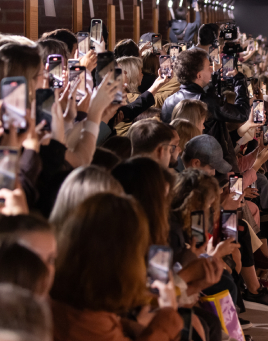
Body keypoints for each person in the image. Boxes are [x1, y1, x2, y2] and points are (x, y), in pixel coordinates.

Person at [50, 193, 183, 341]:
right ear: (124, 262)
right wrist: (168, 312)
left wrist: (130, 326)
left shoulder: (64, 302)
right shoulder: (84, 324)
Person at [160, 48, 250, 172]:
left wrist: (214, 83)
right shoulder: (206, 102)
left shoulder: (168, 102)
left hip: (180, 166)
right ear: (199, 75)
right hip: (212, 166)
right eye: (208, 67)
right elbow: (242, 113)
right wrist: (239, 80)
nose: (212, 70)